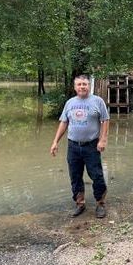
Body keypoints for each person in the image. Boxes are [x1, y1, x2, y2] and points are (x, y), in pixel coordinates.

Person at [50, 75, 109, 218]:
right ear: (75, 87)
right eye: (79, 84)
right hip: (73, 146)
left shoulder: (97, 101)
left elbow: (105, 120)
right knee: (75, 176)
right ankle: (80, 203)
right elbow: (64, 122)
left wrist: (102, 140)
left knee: (97, 175)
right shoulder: (70, 103)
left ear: (89, 86)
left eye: (85, 84)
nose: (82, 86)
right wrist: (55, 141)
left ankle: (100, 203)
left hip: (91, 146)